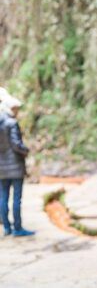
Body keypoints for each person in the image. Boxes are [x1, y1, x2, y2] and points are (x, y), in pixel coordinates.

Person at [0, 89, 35, 237]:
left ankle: (7, 227)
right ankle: (18, 228)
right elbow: (16, 144)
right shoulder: (11, 123)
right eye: (15, 109)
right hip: (15, 168)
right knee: (16, 199)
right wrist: (26, 150)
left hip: (1, 168)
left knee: (3, 198)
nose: (17, 111)